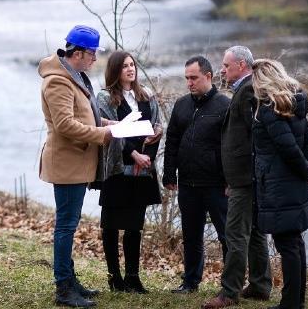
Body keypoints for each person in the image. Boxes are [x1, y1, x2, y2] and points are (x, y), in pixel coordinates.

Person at [38, 25, 112, 308]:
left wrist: (113, 126)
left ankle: (70, 280)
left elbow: (86, 116)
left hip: (78, 161)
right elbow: (66, 125)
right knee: (66, 226)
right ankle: (63, 288)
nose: (95, 59)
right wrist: (103, 136)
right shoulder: (58, 81)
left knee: (69, 223)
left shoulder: (76, 76)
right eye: (92, 54)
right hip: (67, 163)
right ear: (78, 53)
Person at [203, 46, 271, 308]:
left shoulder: (248, 91)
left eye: (226, 65)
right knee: (254, 232)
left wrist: (241, 178)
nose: (222, 69)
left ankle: (229, 293)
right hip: (246, 178)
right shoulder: (246, 89)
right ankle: (260, 285)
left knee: (235, 234)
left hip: (245, 179)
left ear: (241, 65)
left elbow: (255, 138)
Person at [250, 59, 308, 309]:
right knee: (295, 242)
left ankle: (291, 303)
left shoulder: (268, 107)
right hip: (294, 182)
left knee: (287, 243)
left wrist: (306, 169)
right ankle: (296, 301)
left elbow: (287, 146)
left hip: (278, 184)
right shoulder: (295, 103)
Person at [95, 51, 163, 294]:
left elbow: (156, 127)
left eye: (132, 65)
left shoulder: (146, 95)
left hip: (142, 170)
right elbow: (113, 133)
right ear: (115, 70)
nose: (130, 69)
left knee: (135, 224)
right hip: (117, 168)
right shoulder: (105, 98)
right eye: (124, 66)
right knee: (112, 224)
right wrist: (134, 154)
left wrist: (147, 157)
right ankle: (115, 277)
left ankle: (133, 277)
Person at [162, 55, 230, 294]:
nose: (189, 83)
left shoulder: (224, 105)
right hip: (187, 183)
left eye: (193, 78)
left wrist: (230, 181)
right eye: (186, 78)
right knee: (191, 236)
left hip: (217, 184)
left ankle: (229, 285)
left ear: (208, 76)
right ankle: (190, 282)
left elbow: (231, 147)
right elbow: (172, 140)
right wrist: (169, 174)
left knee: (226, 237)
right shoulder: (181, 104)